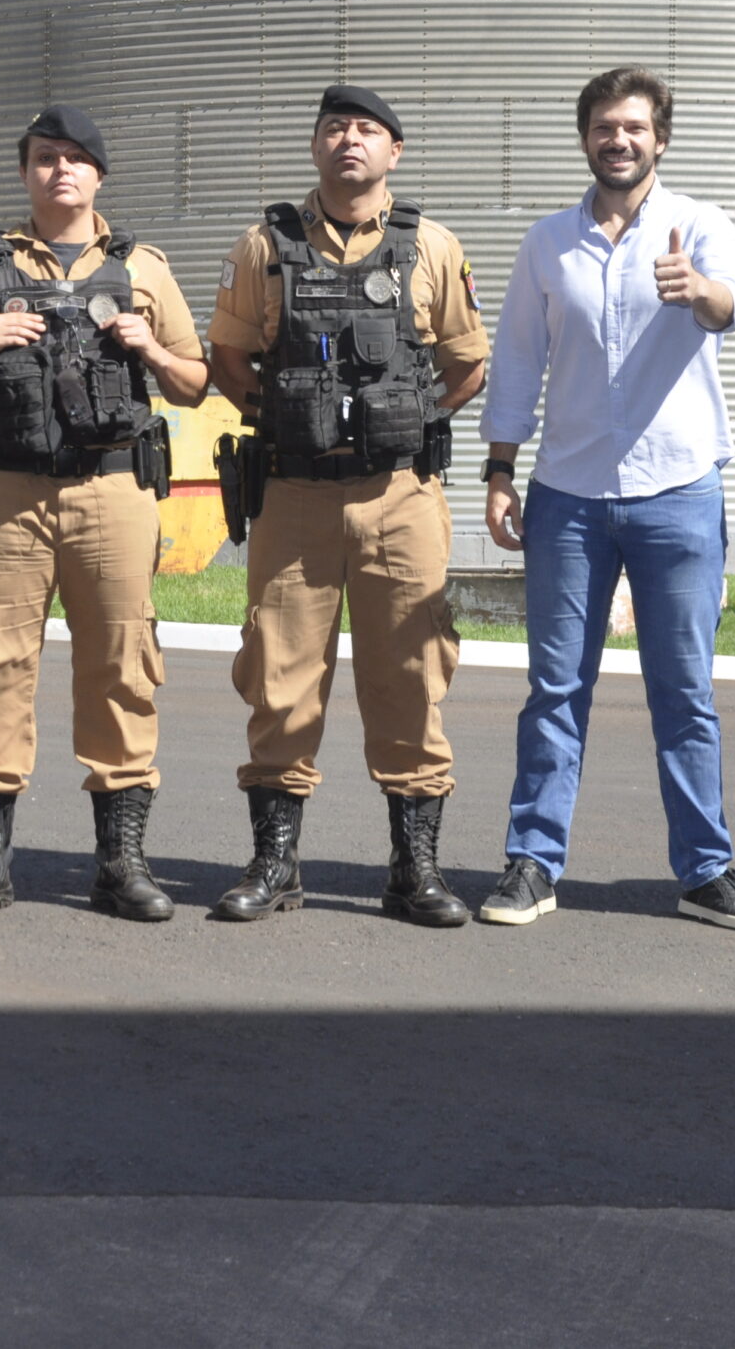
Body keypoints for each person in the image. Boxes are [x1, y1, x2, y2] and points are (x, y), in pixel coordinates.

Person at [478, 66, 735, 931]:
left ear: (660, 139)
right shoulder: (547, 243)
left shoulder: (701, 226)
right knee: (554, 690)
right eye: (605, 127)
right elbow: (518, 361)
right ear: (586, 138)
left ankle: (706, 871)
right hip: (567, 497)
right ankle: (533, 863)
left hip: (678, 491)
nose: (620, 140)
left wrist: (700, 290)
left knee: (684, 693)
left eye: (635, 128)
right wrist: (499, 470)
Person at [0, 106, 209, 922]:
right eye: (45, 157)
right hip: (7, 492)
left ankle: (121, 864)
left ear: (99, 174)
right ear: (25, 171)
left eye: (76, 158)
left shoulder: (144, 267)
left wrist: (149, 348)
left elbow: (194, 382)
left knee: (121, 665)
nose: (60, 170)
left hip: (112, 490)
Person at [204, 85, 489, 925]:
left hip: (400, 494)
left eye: (367, 129)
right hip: (294, 494)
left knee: (410, 674)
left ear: (394, 151)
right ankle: (276, 864)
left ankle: (415, 870)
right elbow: (227, 357)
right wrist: (288, 417)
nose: (349, 140)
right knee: (280, 677)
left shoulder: (431, 245)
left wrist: (411, 419)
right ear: (315, 146)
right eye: (334, 128)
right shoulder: (264, 244)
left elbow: (468, 363)